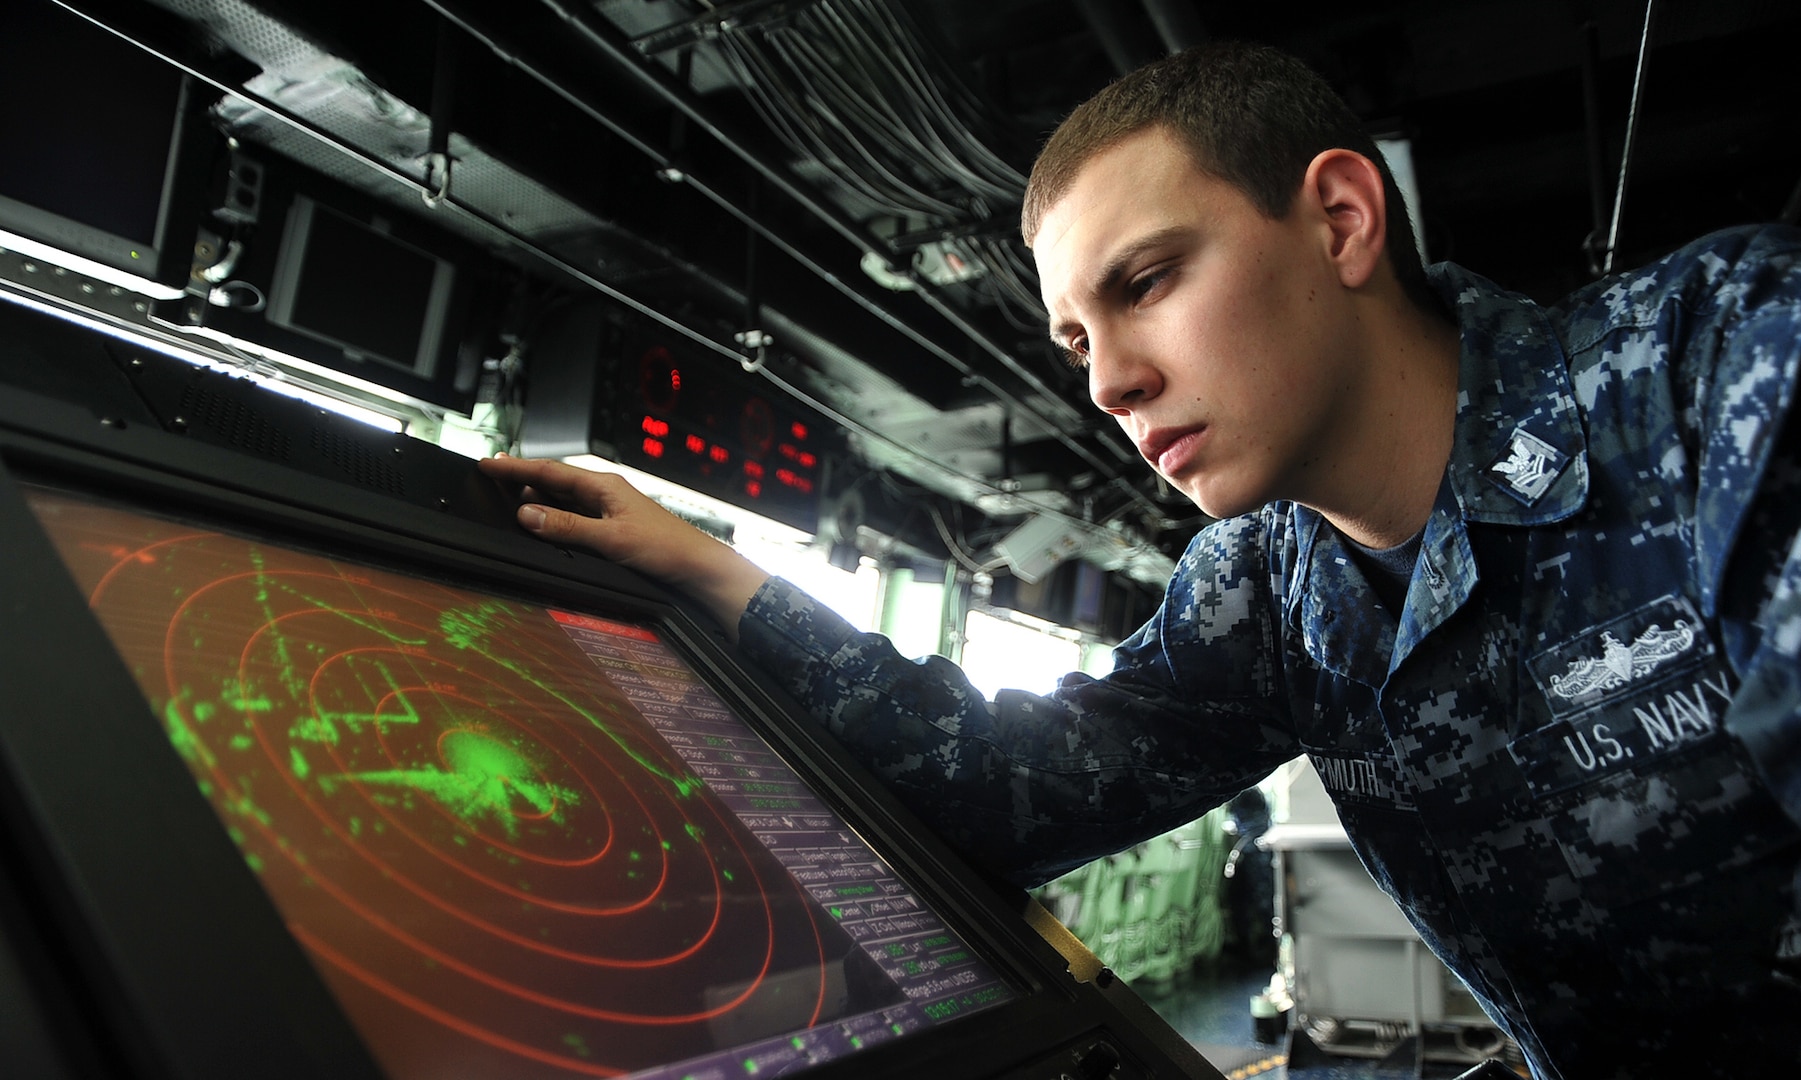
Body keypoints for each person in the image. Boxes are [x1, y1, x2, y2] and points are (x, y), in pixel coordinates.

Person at [481, 41, 1801, 1080]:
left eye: (1147, 282)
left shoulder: (1716, 364)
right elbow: (1010, 793)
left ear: (1342, 219)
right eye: (1073, 341)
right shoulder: (1265, 589)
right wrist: (724, 582)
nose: (1107, 383)